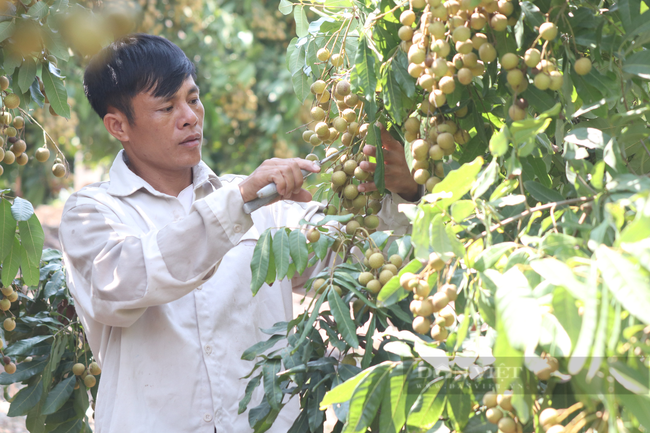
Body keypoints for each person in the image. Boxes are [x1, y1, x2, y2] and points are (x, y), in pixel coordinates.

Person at [59, 33, 419, 433]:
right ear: (118, 126)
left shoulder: (263, 204)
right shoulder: (92, 212)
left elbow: (359, 261)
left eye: (193, 99)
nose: (190, 117)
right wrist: (238, 201)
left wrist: (405, 190)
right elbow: (123, 284)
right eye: (166, 107)